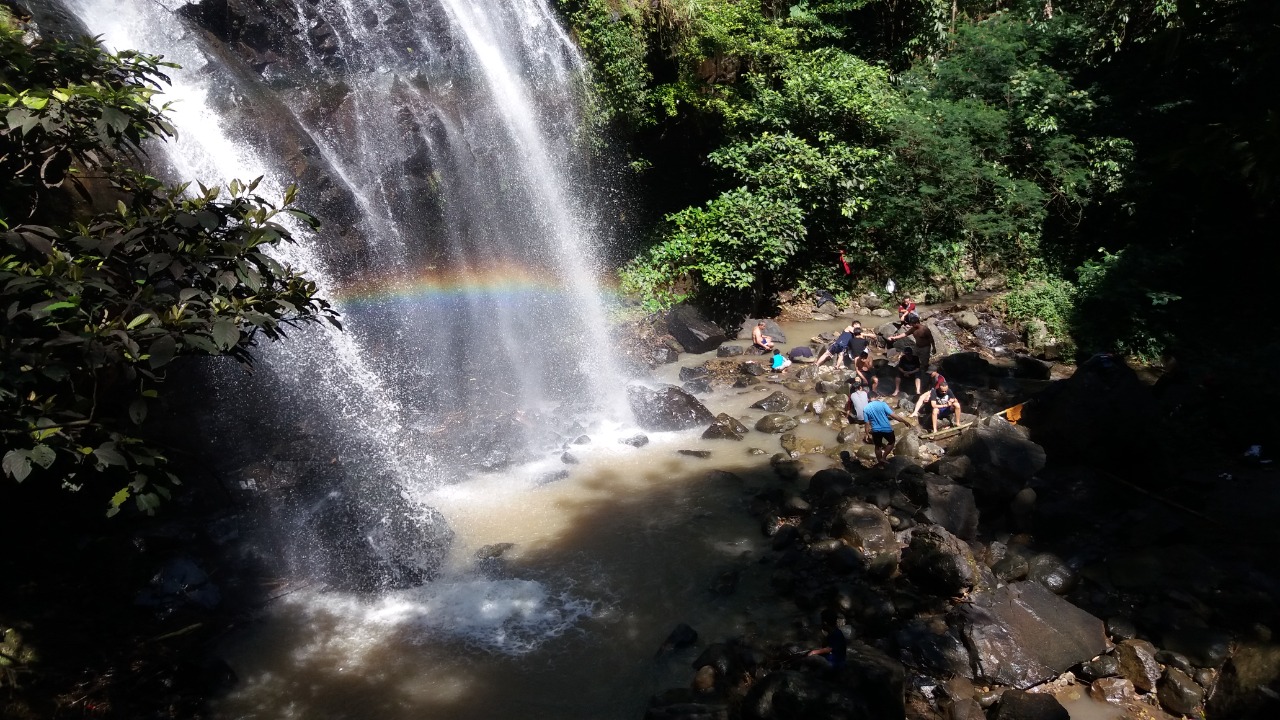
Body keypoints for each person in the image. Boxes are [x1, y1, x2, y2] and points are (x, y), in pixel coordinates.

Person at [862, 397, 914, 466]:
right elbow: (893, 415)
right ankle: (883, 457)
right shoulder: (883, 404)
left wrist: (866, 433)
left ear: (868, 399)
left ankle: (880, 465)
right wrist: (904, 421)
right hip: (886, 429)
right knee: (891, 442)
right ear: (876, 397)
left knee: (878, 447)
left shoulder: (866, 408)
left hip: (875, 430)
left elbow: (867, 423)